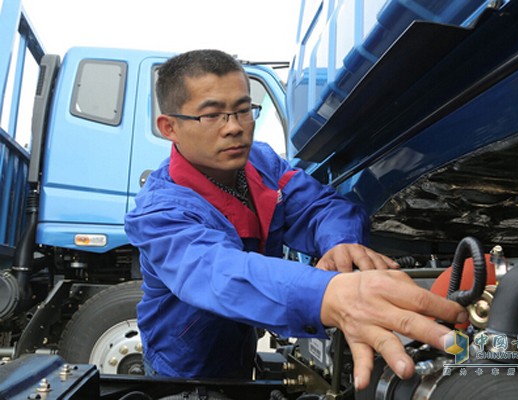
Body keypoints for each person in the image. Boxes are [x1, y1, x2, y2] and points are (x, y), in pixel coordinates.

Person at [124, 49, 466, 391]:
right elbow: (220, 274)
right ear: (170, 127)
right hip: (185, 371)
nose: (235, 128)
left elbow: (321, 207)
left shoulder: (263, 165)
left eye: (244, 110)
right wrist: (330, 295)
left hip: (241, 347)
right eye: (213, 116)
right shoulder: (159, 212)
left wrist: (341, 244)